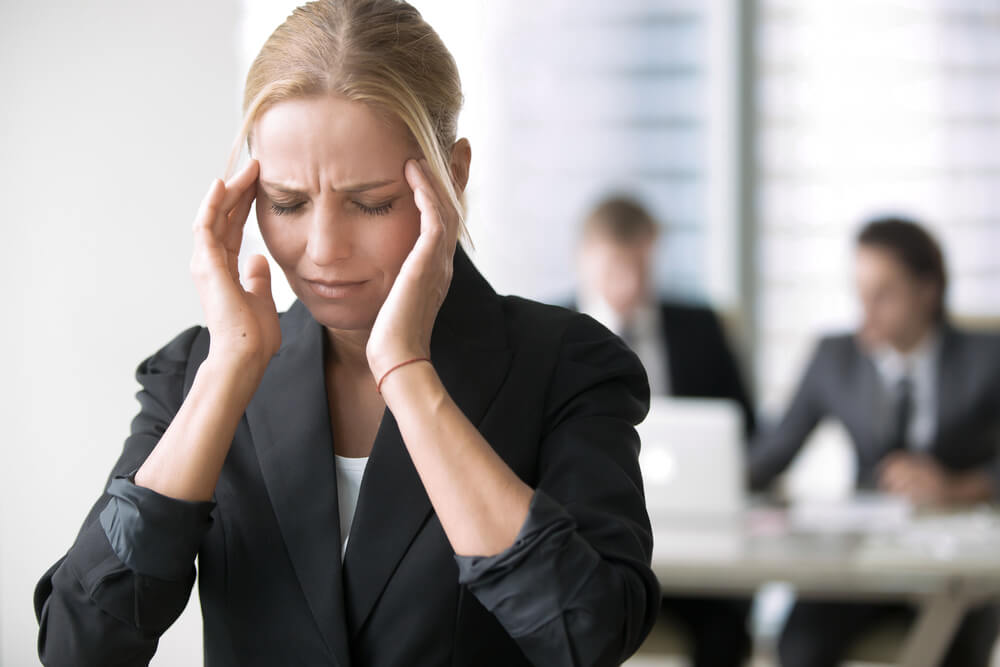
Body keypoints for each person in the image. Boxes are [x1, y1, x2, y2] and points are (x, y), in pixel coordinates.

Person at [33, 2, 660, 665]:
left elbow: (587, 636)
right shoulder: (197, 371)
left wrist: (408, 375)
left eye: (370, 202)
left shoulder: (567, 366)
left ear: (453, 177)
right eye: (288, 203)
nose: (323, 250)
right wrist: (225, 375)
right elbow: (80, 646)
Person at [749, 216, 1000, 667]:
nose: (865, 310)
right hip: (861, 560)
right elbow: (770, 455)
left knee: (956, 647)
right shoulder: (835, 357)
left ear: (928, 291)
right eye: (860, 292)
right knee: (799, 642)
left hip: (955, 561)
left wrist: (957, 487)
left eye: (883, 294)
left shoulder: (986, 358)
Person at [572, 196, 756, 667]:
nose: (631, 285)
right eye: (617, 268)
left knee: (726, 628)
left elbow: (746, 434)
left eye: (642, 268)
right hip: (589, 546)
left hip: (697, 546)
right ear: (585, 258)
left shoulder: (700, 328)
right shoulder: (553, 331)